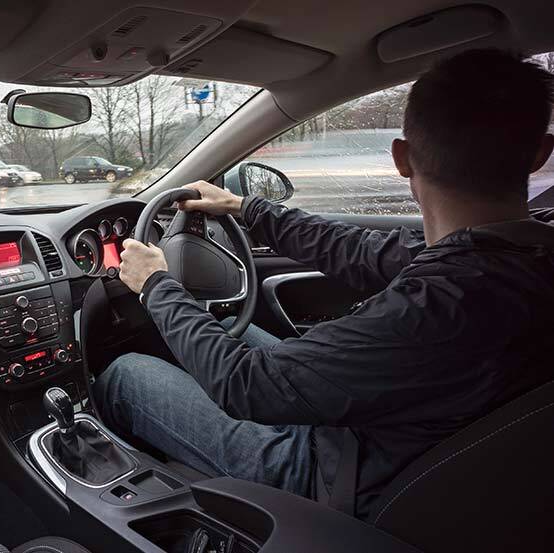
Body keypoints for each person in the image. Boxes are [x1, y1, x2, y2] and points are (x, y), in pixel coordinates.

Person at [94, 49, 554, 519]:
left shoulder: (438, 305)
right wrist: (247, 208)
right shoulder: (518, 260)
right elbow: (363, 251)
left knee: (128, 374)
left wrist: (156, 285)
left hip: (339, 478)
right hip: (408, 446)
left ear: (401, 158)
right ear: (541, 152)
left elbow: (246, 385)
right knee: (232, 323)